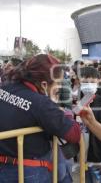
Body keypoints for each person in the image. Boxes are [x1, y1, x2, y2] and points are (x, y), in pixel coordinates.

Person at [0, 54, 81, 183]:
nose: (59, 87)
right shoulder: (41, 104)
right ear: (44, 84)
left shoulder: (4, 88)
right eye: (58, 83)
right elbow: (75, 133)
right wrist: (61, 110)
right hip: (29, 172)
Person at [78, 67, 101, 183]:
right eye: (85, 82)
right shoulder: (79, 102)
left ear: (98, 82)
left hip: (99, 160)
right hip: (83, 159)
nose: (88, 85)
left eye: (92, 82)